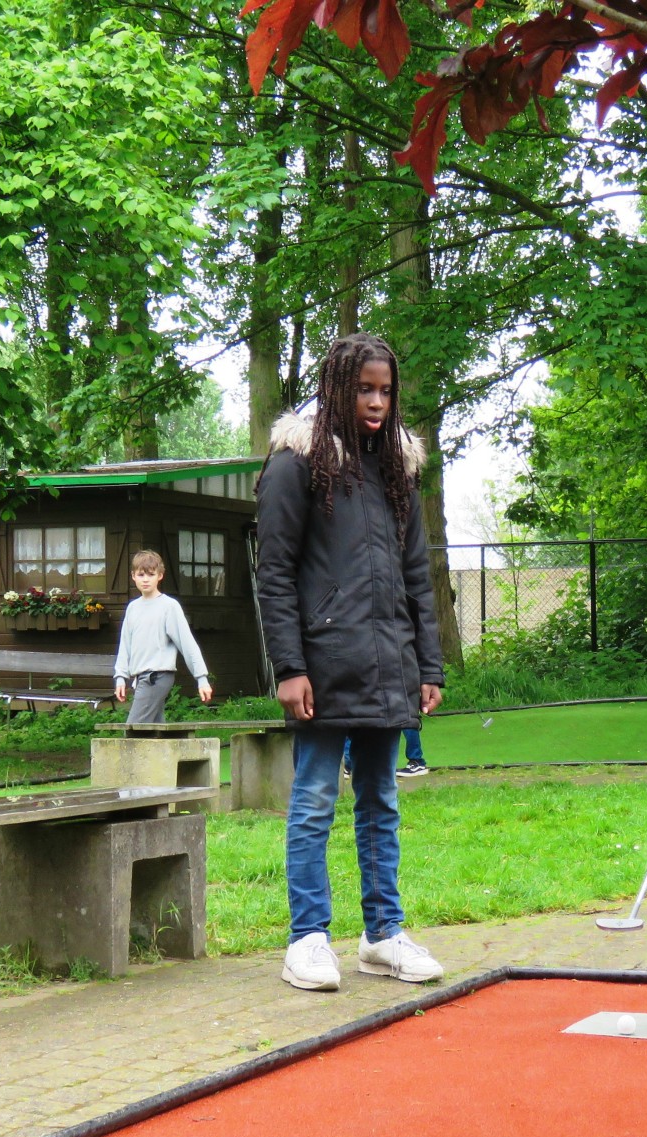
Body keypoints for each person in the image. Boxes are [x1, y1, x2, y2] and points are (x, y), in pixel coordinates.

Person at [255, 332, 446, 993]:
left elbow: (416, 572)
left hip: (388, 665)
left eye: (385, 390)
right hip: (321, 667)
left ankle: (381, 934)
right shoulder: (295, 463)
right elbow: (274, 571)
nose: (376, 401)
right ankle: (307, 937)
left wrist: (429, 664)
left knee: (380, 801)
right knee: (312, 800)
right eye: (365, 388)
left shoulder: (398, 469)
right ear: (337, 387)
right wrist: (288, 666)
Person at [112, 549, 211, 723]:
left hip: (157, 677)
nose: (145, 579)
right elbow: (125, 646)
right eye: (141, 574)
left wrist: (201, 678)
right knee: (155, 734)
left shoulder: (169, 606)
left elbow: (187, 644)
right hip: (140, 678)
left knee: (134, 730)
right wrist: (120, 677)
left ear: (160, 576)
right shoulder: (133, 608)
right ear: (133, 576)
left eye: (150, 574)